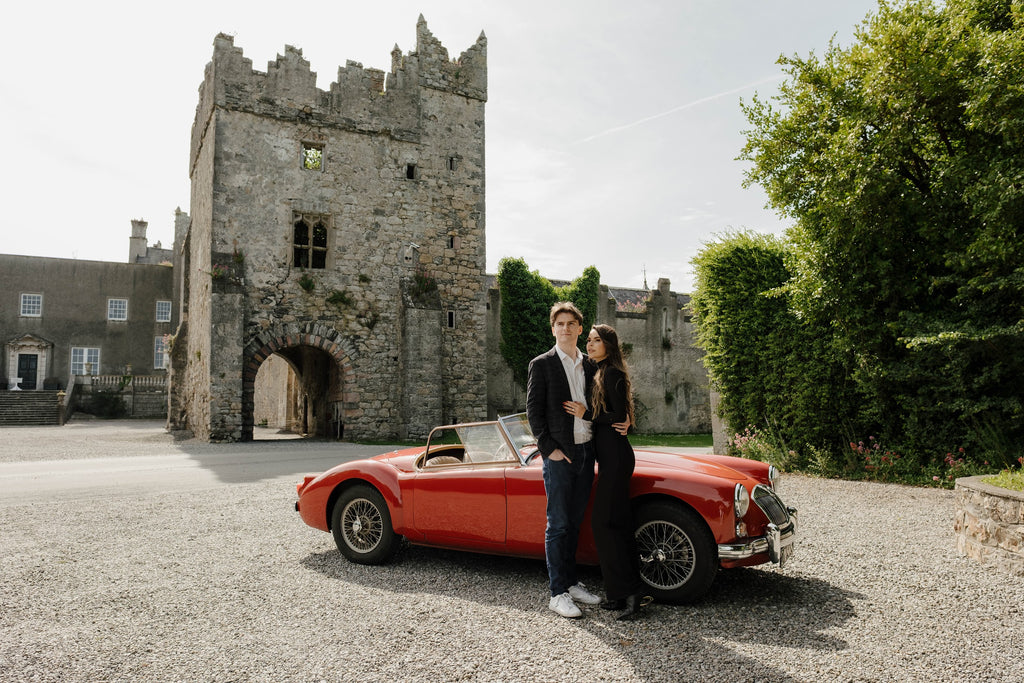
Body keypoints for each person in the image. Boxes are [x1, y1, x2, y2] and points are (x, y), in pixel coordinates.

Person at [526, 302, 603, 618]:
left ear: (580, 329)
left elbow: (599, 406)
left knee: (574, 522)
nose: (566, 328)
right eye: (560, 323)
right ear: (553, 328)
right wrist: (549, 450)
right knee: (557, 524)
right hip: (560, 456)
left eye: (572, 323)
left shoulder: (591, 366)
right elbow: (534, 411)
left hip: (587, 451)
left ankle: (571, 584)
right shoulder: (541, 364)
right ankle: (557, 593)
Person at [565, 324, 648, 620]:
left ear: (609, 344)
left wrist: (585, 414)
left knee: (604, 524)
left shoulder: (611, 372)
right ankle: (620, 594)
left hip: (616, 458)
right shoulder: (599, 370)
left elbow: (618, 414)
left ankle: (631, 593)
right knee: (617, 525)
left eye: (596, 340)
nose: (590, 344)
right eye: (588, 340)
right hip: (612, 457)